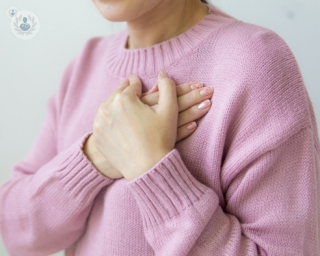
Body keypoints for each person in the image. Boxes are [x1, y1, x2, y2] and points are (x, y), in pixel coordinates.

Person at [0, 0, 319, 255]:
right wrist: (95, 156)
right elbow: (15, 232)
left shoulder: (255, 63)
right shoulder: (85, 64)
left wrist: (151, 168)